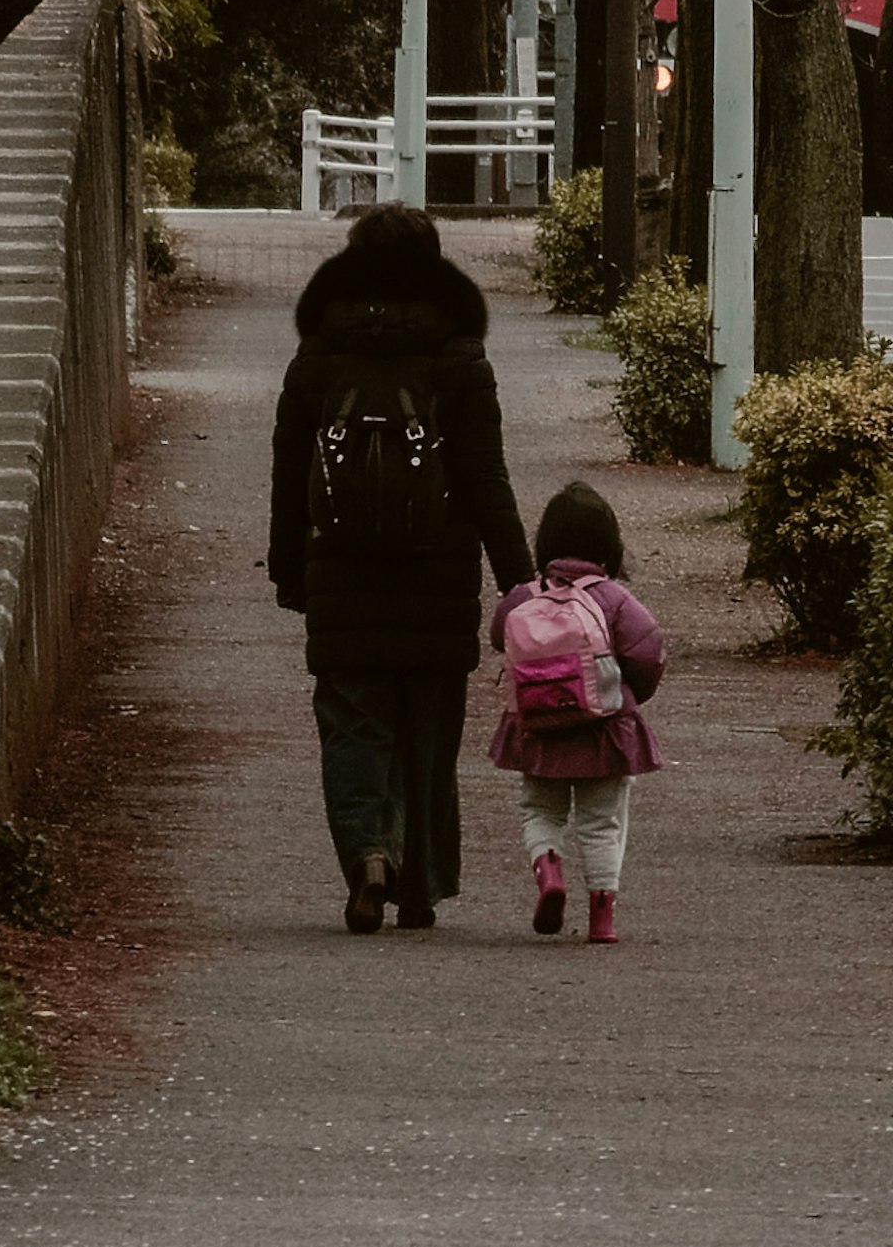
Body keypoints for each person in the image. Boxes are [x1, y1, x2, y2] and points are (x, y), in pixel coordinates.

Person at [267, 202, 530, 931]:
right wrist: (522, 581)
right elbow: (485, 479)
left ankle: (367, 855)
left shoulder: (320, 354)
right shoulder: (459, 356)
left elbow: (291, 472)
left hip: (342, 576)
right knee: (428, 734)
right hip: (437, 577)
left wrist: (289, 568)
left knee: (354, 724)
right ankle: (418, 884)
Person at [488, 475, 665, 943]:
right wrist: (630, 697)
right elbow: (647, 652)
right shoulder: (613, 599)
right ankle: (602, 918)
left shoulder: (524, 596)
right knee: (602, 822)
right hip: (602, 731)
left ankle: (549, 870)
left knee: (540, 811)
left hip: (539, 729)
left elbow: (497, 635)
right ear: (610, 544)